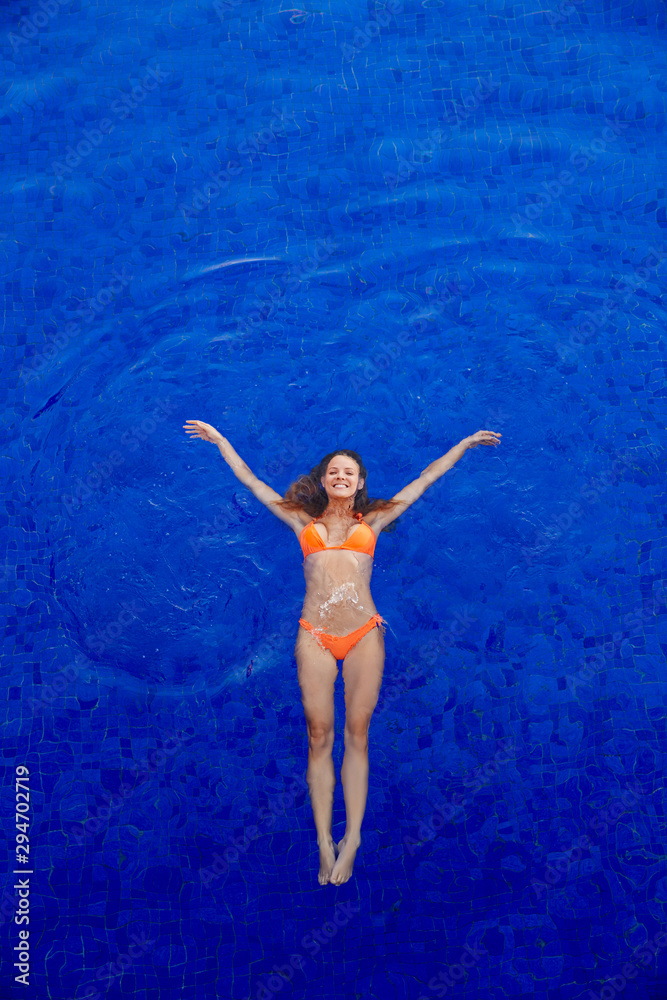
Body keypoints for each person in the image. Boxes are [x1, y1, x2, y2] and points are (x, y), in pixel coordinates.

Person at [183, 420, 501, 884]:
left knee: (357, 733)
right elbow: (251, 481)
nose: (340, 476)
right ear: (324, 479)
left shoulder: (372, 521)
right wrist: (222, 442)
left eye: (349, 472)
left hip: (363, 634)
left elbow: (426, 479)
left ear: (360, 483)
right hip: (313, 633)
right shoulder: (301, 521)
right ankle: (322, 841)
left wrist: (466, 444)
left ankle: (352, 837)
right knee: (318, 736)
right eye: (334, 470)